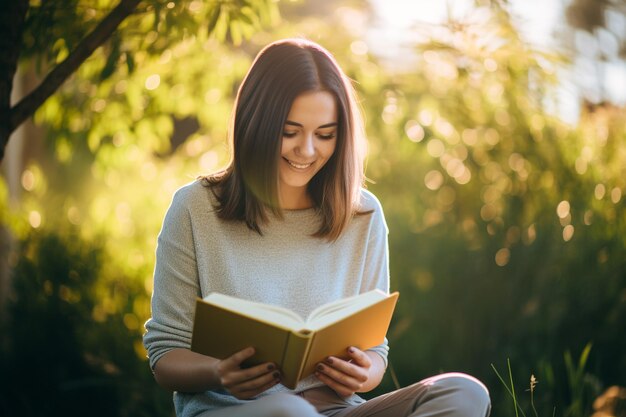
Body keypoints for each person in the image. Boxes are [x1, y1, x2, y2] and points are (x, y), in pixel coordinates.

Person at [143, 38, 491, 417]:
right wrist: (218, 372)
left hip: (336, 410)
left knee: (464, 394)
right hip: (238, 410)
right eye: (290, 131)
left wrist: (364, 373)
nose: (307, 151)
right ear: (255, 123)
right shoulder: (195, 208)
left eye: (325, 134)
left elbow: (376, 351)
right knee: (290, 414)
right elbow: (165, 356)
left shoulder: (364, 215)